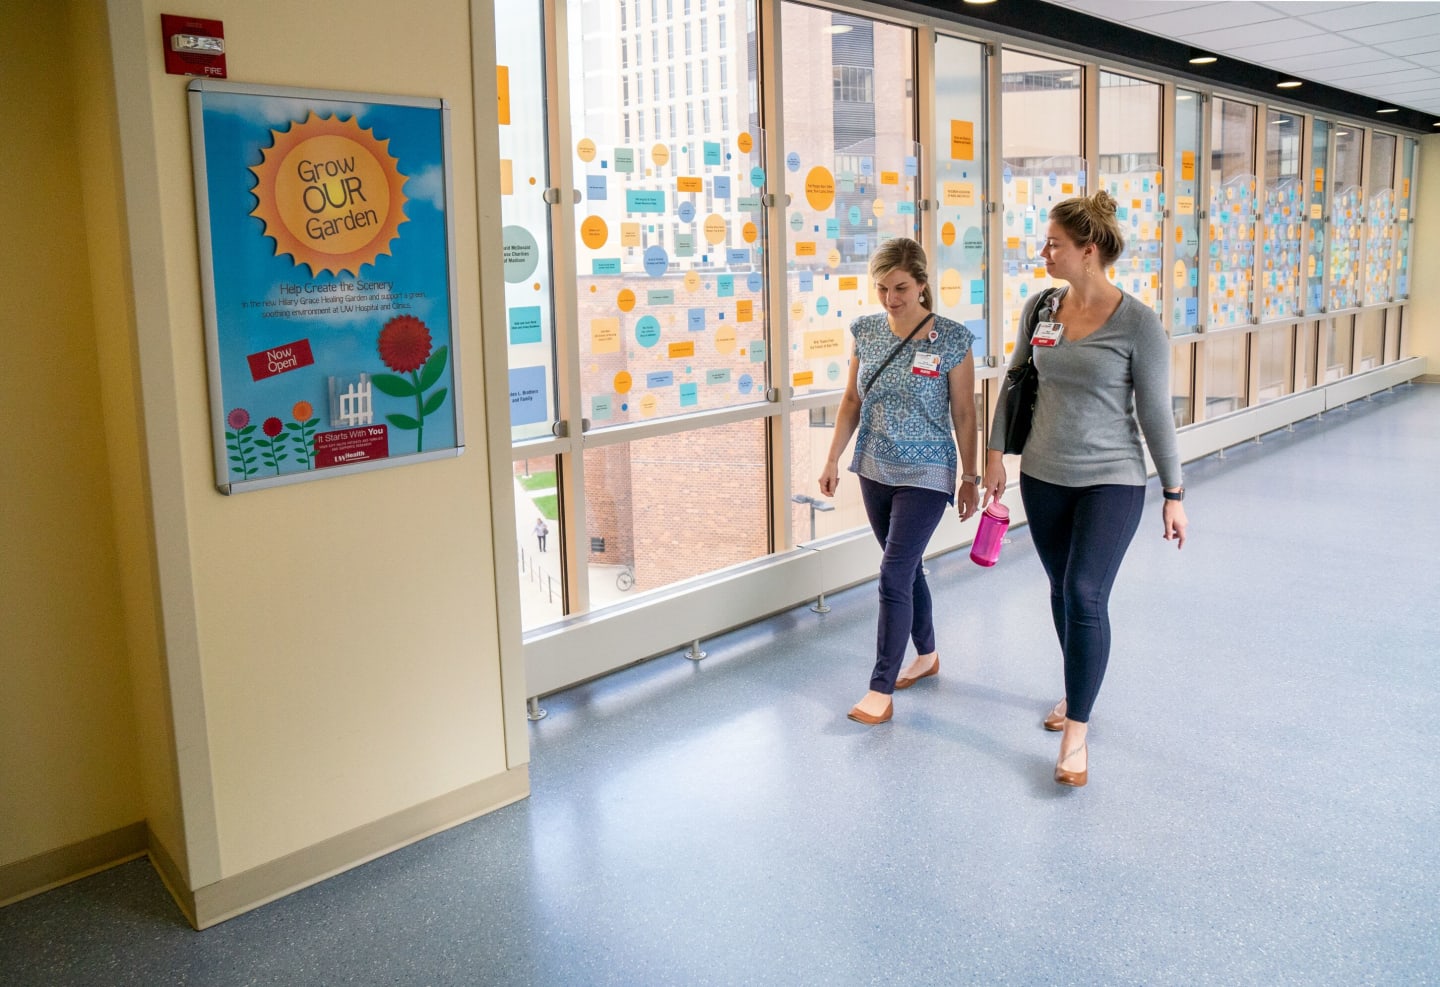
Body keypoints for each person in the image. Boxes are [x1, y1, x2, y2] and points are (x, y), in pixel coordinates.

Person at [983, 190, 1188, 787]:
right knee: (1058, 589)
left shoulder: (1139, 324)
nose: (1043, 251)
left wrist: (1173, 492)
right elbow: (1017, 383)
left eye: (1054, 243)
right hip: (1043, 474)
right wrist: (995, 457)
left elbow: (1155, 413)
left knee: (1084, 591)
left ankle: (1077, 729)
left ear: (1088, 251)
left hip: (1112, 479)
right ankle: (1076, 688)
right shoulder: (1042, 308)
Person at [820, 237, 979, 725]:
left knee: (892, 573)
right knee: (906, 569)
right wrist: (832, 460)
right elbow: (851, 402)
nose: (891, 299)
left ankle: (880, 688)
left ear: (923, 285)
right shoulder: (866, 332)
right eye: (883, 288)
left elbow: (966, 415)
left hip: (928, 471)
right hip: (873, 466)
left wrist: (969, 477)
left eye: (902, 288)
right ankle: (927, 655)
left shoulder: (951, 339)